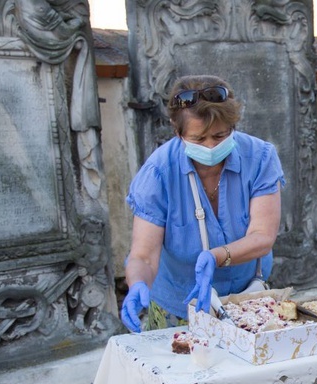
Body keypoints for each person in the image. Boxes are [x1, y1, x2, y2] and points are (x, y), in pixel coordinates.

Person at [120, 75, 285, 332]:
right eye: (199, 139)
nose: (210, 146)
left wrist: (217, 256)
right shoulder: (158, 172)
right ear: (178, 133)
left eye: (219, 136)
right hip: (180, 305)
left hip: (246, 299)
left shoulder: (260, 157)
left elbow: (263, 236)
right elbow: (144, 256)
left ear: (233, 126)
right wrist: (137, 283)